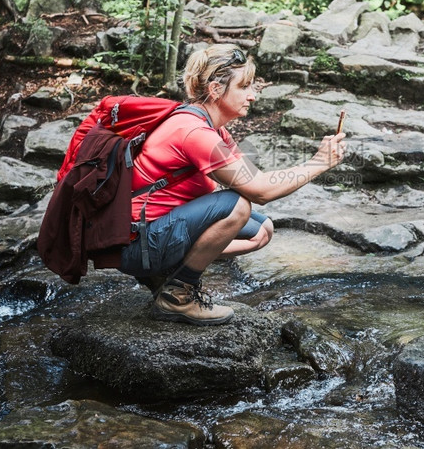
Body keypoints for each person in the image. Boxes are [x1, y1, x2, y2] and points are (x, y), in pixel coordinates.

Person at [129, 43, 346, 326]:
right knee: (237, 206)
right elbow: (260, 191)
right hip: (136, 244)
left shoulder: (213, 129)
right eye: (244, 87)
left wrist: (317, 162)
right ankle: (176, 296)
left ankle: (166, 273)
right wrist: (319, 163)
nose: (253, 96)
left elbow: (258, 179)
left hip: (149, 236)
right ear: (217, 90)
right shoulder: (194, 132)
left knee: (261, 231)